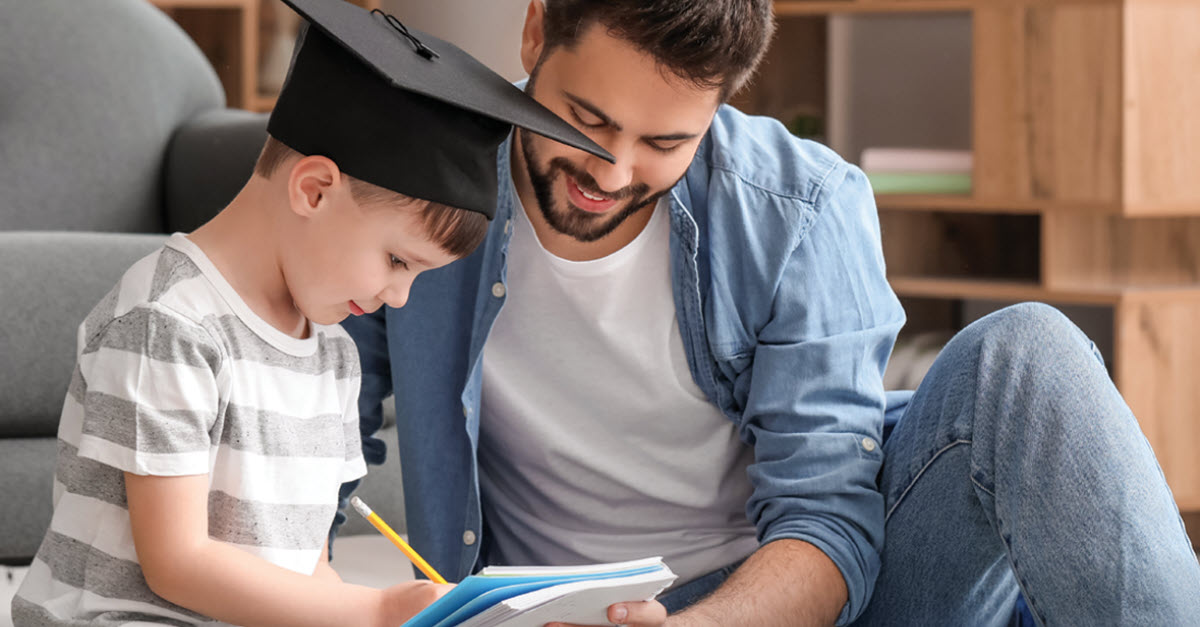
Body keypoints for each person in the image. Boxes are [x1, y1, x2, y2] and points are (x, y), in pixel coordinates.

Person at [338, 1, 1200, 625]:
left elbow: (828, 521)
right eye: (585, 121)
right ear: (534, 32)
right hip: (561, 611)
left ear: (717, 108)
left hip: (792, 601)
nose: (611, 172)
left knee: (1031, 351)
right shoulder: (422, 177)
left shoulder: (802, 208)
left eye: (665, 143)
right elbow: (319, 416)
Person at [9, 0, 613, 624]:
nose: (399, 298)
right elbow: (177, 561)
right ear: (314, 189)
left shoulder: (332, 355)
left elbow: (307, 568)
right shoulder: (168, 324)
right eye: (397, 261)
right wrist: (376, 610)